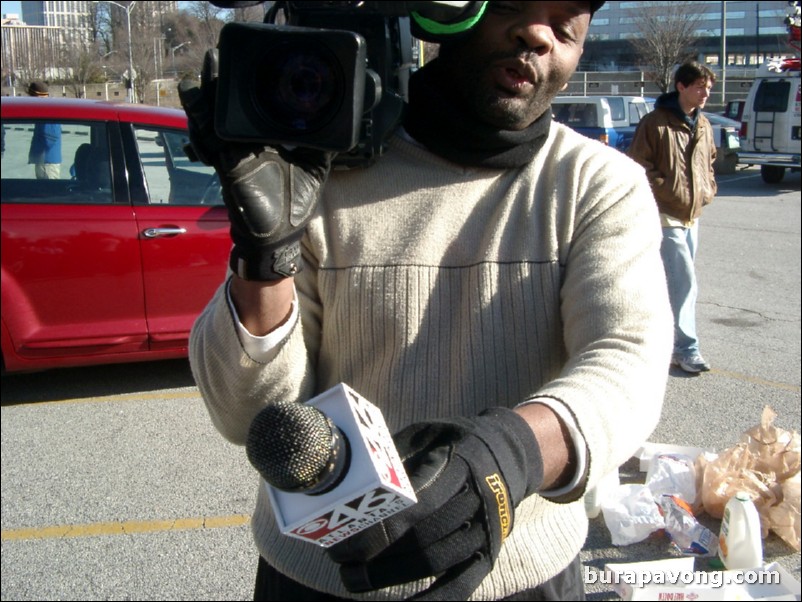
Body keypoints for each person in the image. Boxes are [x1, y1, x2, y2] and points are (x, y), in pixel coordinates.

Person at [182, 1, 673, 600]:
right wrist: (265, 256)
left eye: (566, 27)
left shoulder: (597, 183)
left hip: (521, 576)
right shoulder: (316, 170)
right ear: (450, 16)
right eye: (516, 5)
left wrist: (512, 455)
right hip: (319, 578)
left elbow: (628, 356)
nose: (537, 35)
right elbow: (246, 418)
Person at [628, 61, 718, 374]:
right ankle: (686, 348)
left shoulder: (703, 123)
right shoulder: (655, 123)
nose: (705, 92)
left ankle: (654, 342)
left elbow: (709, 161)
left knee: (672, 284)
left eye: (708, 87)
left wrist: (708, 188)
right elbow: (637, 165)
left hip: (692, 214)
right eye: (699, 86)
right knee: (685, 282)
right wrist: (667, 190)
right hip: (666, 214)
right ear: (681, 86)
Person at [26, 81, 62, 180]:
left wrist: (38, 154)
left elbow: (50, 137)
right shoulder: (46, 108)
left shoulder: (47, 110)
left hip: (47, 162)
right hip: (46, 161)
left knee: (50, 192)